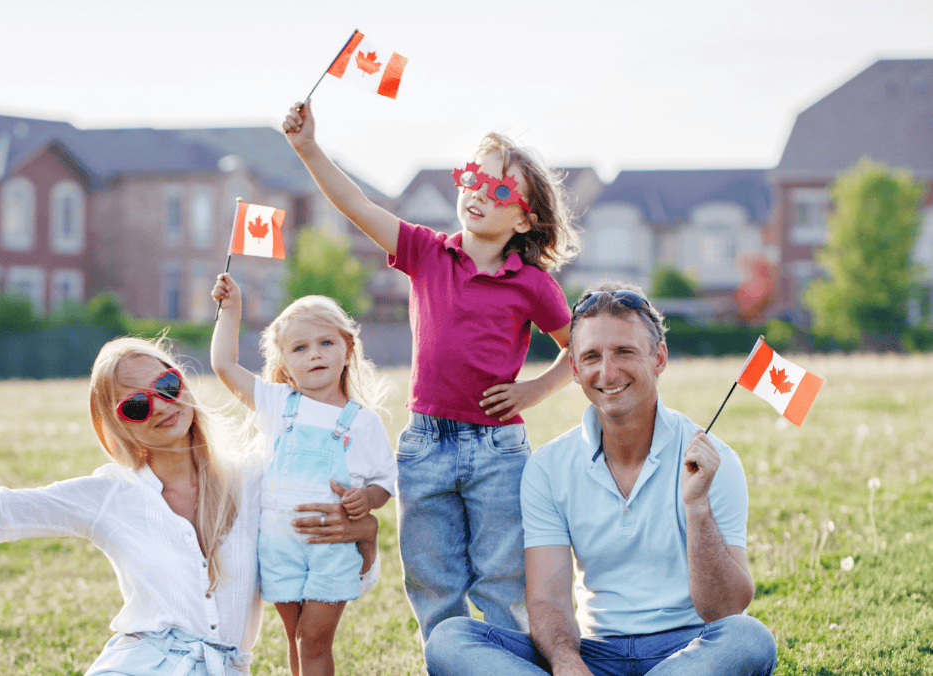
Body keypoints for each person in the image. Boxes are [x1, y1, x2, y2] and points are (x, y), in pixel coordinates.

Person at [281, 100, 581, 644]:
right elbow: (356, 205)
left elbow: (580, 350)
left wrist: (535, 388)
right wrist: (307, 147)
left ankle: (507, 662)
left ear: (525, 218)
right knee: (433, 582)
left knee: (502, 582)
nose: (480, 193)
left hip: (499, 450)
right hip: (425, 446)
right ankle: (450, 660)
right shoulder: (425, 251)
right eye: (474, 177)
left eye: (501, 190)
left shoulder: (533, 283)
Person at [0, 336, 379, 676]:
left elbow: (344, 572)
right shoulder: (112, 495)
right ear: (116, 428)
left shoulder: (258, 477)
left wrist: (366, 536)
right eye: (135, 405)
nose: (160, 405)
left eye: (165, 383)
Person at [424, 282, 779, 676]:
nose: (607, 372)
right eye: (591, 356)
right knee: (450, 639)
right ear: (575, 369)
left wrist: (697, 508)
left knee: (750, 638)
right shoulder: (549, 467)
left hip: (688, 652)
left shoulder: (714, 461)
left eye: (625, 352)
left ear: (659, 358)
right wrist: (565, 660)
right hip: (596, 655)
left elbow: (727, 610)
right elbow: (548, 598)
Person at [211, 273, 398, 676]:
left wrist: (367, 499)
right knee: (296, 639)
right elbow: (224, 365)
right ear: (285, 364)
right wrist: (231, 311)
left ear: (348, 350)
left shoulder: (361, 422)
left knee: (314, 638)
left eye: (326, 343)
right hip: (279, 545)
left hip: (330, 547)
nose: (314, 354)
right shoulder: (278, 404)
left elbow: (385, 482)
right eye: (300, 348)